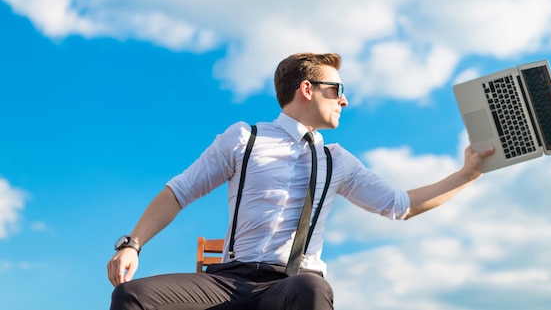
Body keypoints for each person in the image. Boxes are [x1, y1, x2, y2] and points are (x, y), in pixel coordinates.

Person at [107, 52, 494, 310]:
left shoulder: (336, 160)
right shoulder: (245, 138)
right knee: (132, 297)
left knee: (312, 289)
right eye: (337, 90)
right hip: (228, 284)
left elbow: (400, 205)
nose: (344, 101)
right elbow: (179, 191)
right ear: (307, 90)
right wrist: (132, 245)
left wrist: (466, 175)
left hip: (288, 287)